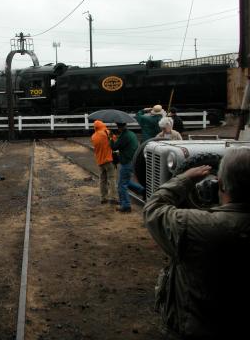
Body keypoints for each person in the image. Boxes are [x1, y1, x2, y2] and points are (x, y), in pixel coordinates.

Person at [143, 147, 250, 339]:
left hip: (195, 327)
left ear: (222, 185)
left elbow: (154, 209)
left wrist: (184, 179)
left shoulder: (193, 226)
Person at [108, 123, 144, 213]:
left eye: (118, 126)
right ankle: (143, 191)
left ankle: (126, 205)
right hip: (132, 161)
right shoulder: (131, 133)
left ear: (119, 127)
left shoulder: (125, 136)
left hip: (127, 162)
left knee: (121, 185)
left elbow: (114, 147)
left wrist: (110, 138)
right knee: (126, 182)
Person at [91, 120, 117, 204]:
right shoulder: (107, 132)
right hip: (109, 160)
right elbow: (115, 141)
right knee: (112, 179)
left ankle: (103, 198)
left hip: (100, 161)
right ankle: (113, 198)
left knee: (102, 180)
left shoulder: (93, 136)